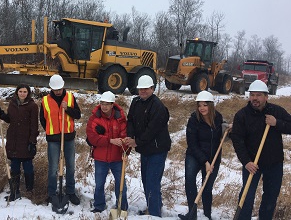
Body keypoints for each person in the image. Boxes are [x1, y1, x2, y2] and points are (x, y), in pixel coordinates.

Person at [231, 80, 291, 220]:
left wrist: (277, 123)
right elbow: (237, 140)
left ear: (266, 97)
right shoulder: (242, 115)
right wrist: (246, 162)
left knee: (270, 197)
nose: (255, 98)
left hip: (274, 163)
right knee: (247, 196)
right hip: (252, 164)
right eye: (252, 95)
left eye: (258, 95)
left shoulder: (276, 111)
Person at [178, 91, 230, 220]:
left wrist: (229, 130)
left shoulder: (218, 118)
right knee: (190, 181)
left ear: (211, 105)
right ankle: (192, 214)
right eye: (200, 105)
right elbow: (192, 144)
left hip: (213, 157)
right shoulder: (193, 120)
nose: (202, 108)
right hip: (194, 156)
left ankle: (207, 215)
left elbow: (224, 137)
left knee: (207, 187)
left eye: (205, 105)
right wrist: (205, 162)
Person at [124, 75, 171, 217]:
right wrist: (131, 136)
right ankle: (155, 204)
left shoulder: (157, 106)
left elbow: (152, 130)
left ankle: (154, 214)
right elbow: (130, 120)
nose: (143, 91)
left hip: (157, 149)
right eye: (141, 89)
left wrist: (136, 141)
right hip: (145, 149)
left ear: (152, 88)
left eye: (146, 88)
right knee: (146, 179)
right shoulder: (136, 102)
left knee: (152, 181)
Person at [40, 74, 81, 205]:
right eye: (55, 89)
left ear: (63, 86)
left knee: (70, 166)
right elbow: (43, 119)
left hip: (68, 137)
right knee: (53, 167)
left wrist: (67, 109)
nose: (57, 92)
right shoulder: (45, 100)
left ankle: (70, 192)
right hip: (53, 138)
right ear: (51, 88)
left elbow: (78, 115)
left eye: (59, 89)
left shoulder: (70, 97)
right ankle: (52, 194)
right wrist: (51, 130)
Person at [86, 91, 128, 213]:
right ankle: (99, 205)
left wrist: (126, 152)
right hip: (100, 158)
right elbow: (92, 138)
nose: (104, 106)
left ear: (112, 105)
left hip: (117, 158)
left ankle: (122, 206)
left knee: (121, 185)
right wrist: (110, 140)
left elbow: (124, 137)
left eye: (107, 104)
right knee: (99, 184)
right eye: (102, 103)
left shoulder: (120, 118)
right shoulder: (94, 119)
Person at [0, 84, 39, 201]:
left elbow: (34, 125)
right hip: (13, 139)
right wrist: (2, 115)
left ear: (28, 93)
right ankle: (14, 190)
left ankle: (29, 190)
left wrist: (32, 141)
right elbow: (10, 119)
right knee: (14, 166)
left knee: (28, 167)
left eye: (25, 92)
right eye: (20, 91)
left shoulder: (32, 106)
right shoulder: (12, 104)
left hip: (26, 139)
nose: (22, 93)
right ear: (17, 92)